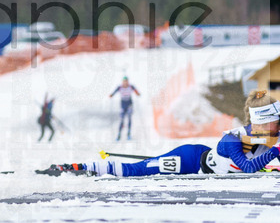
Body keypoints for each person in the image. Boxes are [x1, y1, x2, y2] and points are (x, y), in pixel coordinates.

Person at [38, 91, 280, 177]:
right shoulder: (233, 140)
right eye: (275, 122)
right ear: (262, 122)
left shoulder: (267, 133)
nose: (278, 126)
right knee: (139, 170)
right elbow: (248, 168)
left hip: (208, 159)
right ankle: (78, 167)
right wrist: (276, 152)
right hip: (190, 161)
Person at [109, 76, 140, 140]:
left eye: (126, 81)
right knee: (122, 119)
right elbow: (113, 92)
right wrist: (111, 95)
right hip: (123, 105)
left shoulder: (131, 87)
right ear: (122, 82)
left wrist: (137, 93)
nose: (125, 83)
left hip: (129, 104)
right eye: (124, 81)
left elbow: (137, 92)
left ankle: (128, 134)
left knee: (129, 118)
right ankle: (119, 135)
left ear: (128, 82)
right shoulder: (119, 87)